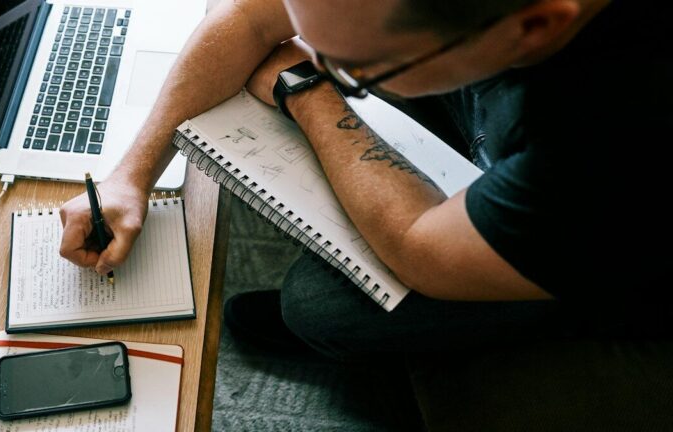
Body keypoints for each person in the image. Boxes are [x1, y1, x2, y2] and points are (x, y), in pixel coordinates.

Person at [58, 0, 672, 361]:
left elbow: (420, 249)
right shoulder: (497, 21)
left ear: (534, 28)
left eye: (356, 68)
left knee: (320, 310)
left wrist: (307, 88)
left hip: (610, 240)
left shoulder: (611, 144)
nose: (318, 57)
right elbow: (254, 17)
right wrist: (131, 174)